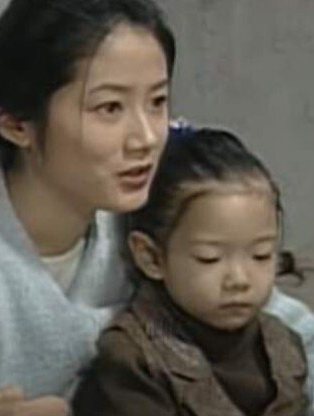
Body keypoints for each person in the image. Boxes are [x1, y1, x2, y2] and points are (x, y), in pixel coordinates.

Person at [0, 0, 314, 416]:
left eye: (157, 102)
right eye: (109, 108)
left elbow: (274, 320)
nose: (146, 138)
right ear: (16, 124)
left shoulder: (135, 217)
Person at [72, 126, 308, 415]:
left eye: (260, 255)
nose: (239, 280)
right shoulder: (133, 360)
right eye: (210, 258)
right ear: (151, 258)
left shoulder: (284, 345)